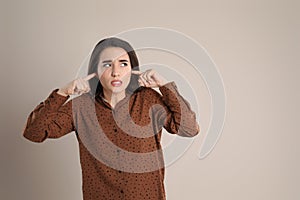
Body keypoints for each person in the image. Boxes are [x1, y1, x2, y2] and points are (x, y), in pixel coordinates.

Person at [23, 37, 200, 200]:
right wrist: (63, 92)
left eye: (123, 64)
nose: (116, 72)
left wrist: (163, 85)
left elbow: (189, 128)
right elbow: (34, 133)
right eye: (107, 65)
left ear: (132, 69)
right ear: (96, 71)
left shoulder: (148, 100)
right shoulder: (80, 107)